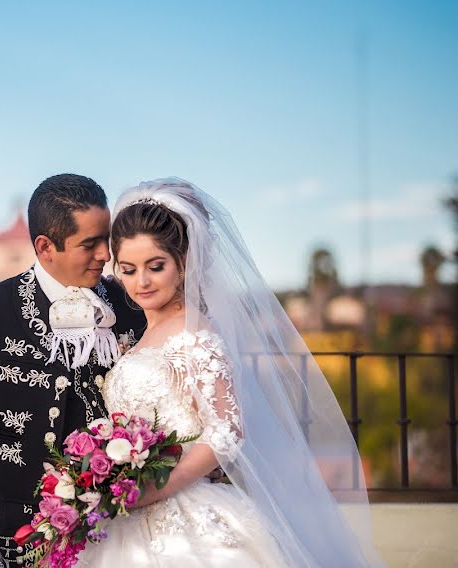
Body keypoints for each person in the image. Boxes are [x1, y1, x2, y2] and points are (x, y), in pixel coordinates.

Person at [77, 178, 384, 567]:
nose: (142, 281)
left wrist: (158, 487)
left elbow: (226, 430)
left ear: (183, 262)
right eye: (129, 269)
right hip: (130, 516)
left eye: (156, 266)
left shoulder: (196, 333)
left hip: (185, 512)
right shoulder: (140, 336)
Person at [0, 174, 146, 565]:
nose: (104, 256)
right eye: (89, 244)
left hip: (125, 525)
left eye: (105, 240)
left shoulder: (131, 306)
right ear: (45, 246)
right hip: (25, 534)